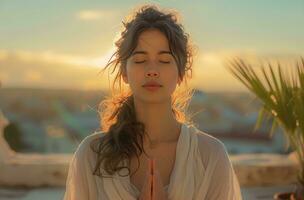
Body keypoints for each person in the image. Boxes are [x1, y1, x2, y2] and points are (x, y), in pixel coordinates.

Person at [63, 4, 242, 200]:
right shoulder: (91, 155)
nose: (152, 70)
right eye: (140, 60)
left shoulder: (210, 157)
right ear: (124, 72)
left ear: (181, 73)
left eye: (164, 61)